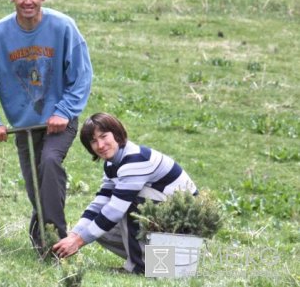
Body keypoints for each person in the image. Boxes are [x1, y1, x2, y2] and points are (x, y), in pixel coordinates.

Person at [0, 0, 93, 252]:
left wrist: (63, 111)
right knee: (35, 185)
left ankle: (56, 243)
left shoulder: (63, 27)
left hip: (60, 120)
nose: (28, 1)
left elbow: (81, 77)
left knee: (49, 162)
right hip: (23, 125)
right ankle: (41, 238)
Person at [52, 113, 198, 274]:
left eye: (104, 136)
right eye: (93, 141)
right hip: (164, 221)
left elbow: (115, 210)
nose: (100, 145)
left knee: (124, 206)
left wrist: (78, 242)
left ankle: (142, 267)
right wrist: (74, 235)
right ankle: (158, 264)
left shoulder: (135, 159)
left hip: (184, 226)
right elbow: (100, 203)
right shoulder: (112, 163)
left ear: (117, 134)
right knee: (98, 228)